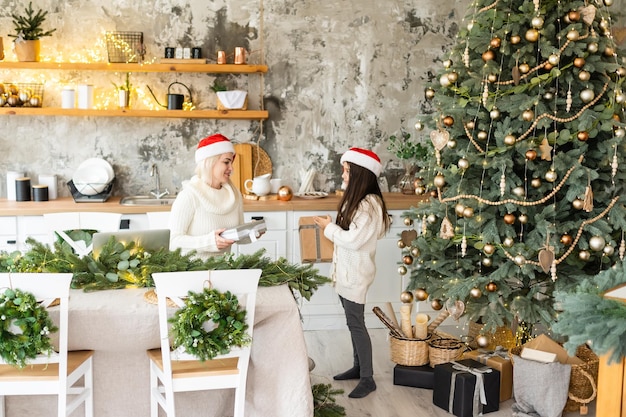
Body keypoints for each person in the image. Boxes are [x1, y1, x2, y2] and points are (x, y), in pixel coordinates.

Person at [313, 147, 391, 399]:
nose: (343, 174)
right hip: (346, 273)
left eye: (346, 170)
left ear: (359, 173)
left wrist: (329, 228)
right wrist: (332, 226)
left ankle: (368, 378)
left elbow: (353, 240)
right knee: (352, 322)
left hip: (356, 276)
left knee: (356, 324)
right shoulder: (357, 200)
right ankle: (359, 368)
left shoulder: (370, 206)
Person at [169, 133, 243, 260]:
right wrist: (208, 242)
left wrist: (250, 232)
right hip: (192, 271)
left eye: (231, 162)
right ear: (210, 163)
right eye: (226, 162)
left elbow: (236, 235)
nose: (231, 168)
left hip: (223, 269)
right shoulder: (189, 196)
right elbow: (173, 242)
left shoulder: (234, 195)